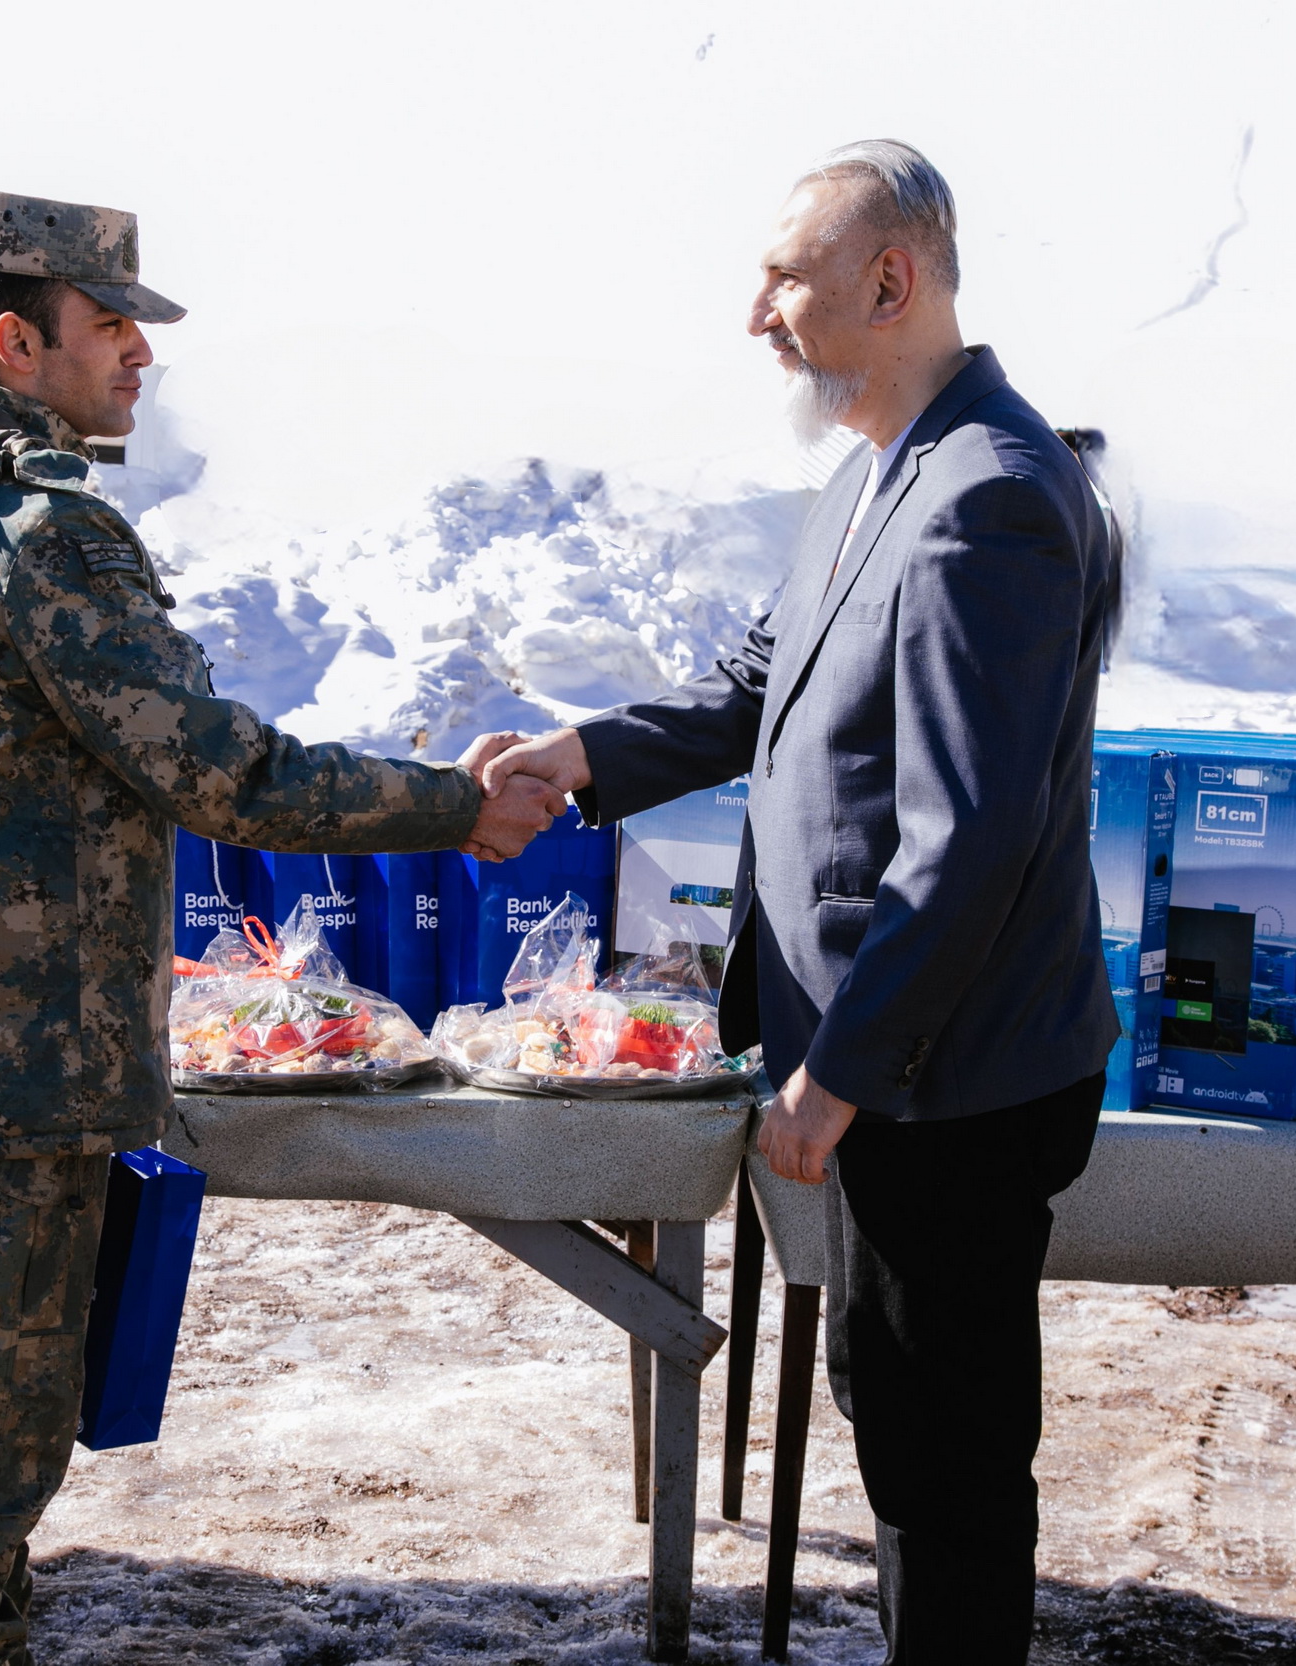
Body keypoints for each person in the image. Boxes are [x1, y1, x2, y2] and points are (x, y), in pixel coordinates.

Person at [0, 186, 564, 1665]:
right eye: (109, 324)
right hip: (22, 1065)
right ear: (16, 342)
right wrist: (453, 807)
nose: (141, 353)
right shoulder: (41, 534)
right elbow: (223, 773)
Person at [465, 141, 1118, 1665]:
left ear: (891, 281)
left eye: (784, 279)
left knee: (946, 1456)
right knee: (896, 1409)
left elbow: (967, 838)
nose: (755, 313)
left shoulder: (990, 497)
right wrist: (580, 756)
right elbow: (762, 684)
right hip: (900, 1064)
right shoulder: (877, 467)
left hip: (950, 1080)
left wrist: (843, 1068)